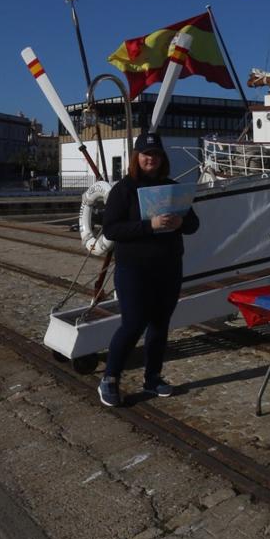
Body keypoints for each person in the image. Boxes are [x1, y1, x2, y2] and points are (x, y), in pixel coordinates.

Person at [97, 132, 200, 407]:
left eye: (155, 154)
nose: (151, 159)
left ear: (162, 158)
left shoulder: (173, 187)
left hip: (168, 267)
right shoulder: (124, 190)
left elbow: (194, 225)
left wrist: (180, 223)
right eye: (146, 154)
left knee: (159, 325)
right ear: (137, 157)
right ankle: (109, 377)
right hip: (134, 268)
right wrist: (149, 226)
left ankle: (153, 377)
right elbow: (111, 229)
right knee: (132, 324)